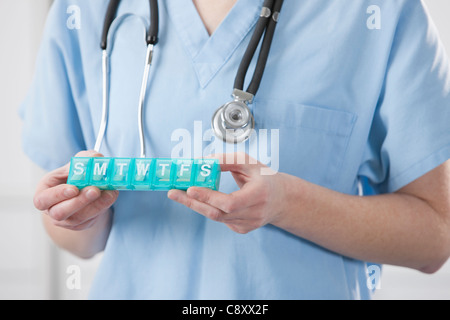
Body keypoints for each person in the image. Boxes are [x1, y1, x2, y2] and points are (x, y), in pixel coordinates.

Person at [21, 0, 450, 300]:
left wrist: (286, 203)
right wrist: (80, 215)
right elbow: (77, 240)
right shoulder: (88, 9)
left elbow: (435, 238)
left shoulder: (380, 11)